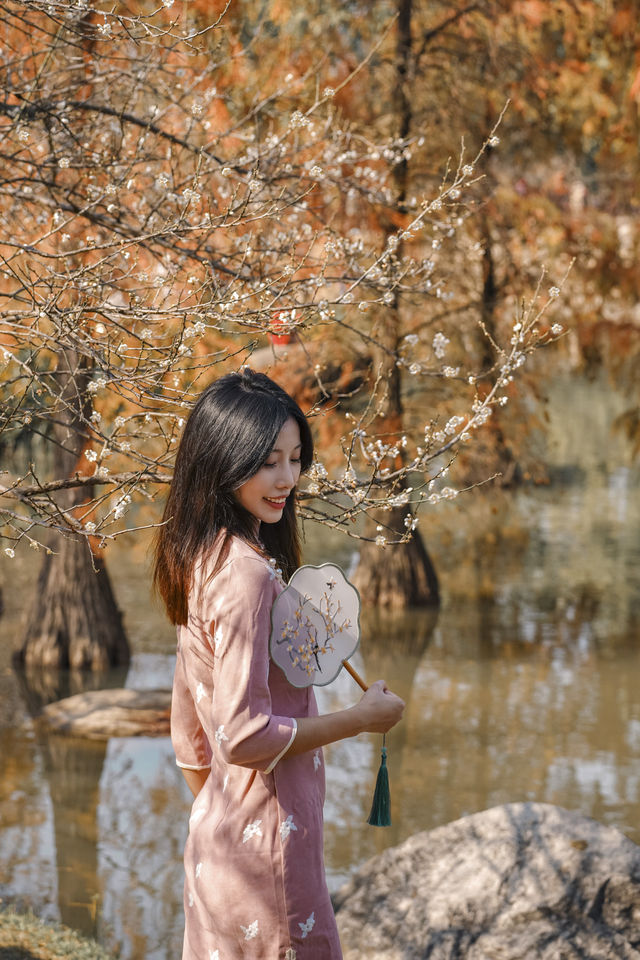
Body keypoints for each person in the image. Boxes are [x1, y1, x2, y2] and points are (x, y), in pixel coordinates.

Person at [153, 368, 405, 960]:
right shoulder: (246, 577)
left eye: (295, 459)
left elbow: (189, 736)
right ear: (224, 461)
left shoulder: (201, 555)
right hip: (270, 862)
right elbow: (242, 737)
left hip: (220, 853)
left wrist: (227, 815)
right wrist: (361, 718)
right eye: (269, 462)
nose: (287, 478)